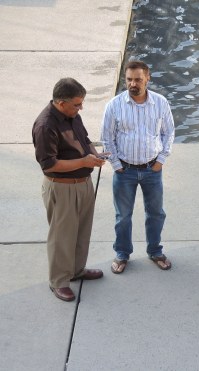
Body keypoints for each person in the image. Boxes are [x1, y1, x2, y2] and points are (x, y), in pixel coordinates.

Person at [32, 78, 106, 302]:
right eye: (77, 104)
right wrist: (84, 162)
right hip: (62, 188)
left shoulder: (73, 115)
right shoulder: (45, 126)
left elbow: (84, 139)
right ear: (61, 102)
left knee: (82, 230)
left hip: (83, 184)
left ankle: (76, 270)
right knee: (62, 237)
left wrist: (94, 155)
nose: (80, 108)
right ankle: (59, 281)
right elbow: (50, 164)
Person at [101, 60, 175, 274]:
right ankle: (122, 254)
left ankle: (155, 251)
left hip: (152, 169)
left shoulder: (161, 103)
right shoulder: (114, 105)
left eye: (138, 79)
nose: (133, 84)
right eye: (129, 80)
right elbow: (107, 138)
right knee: (123, 216)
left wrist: (161, 159)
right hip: (125, 171)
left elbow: (169, 132)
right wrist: (116, 164)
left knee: (156, 213)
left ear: (148, 79)